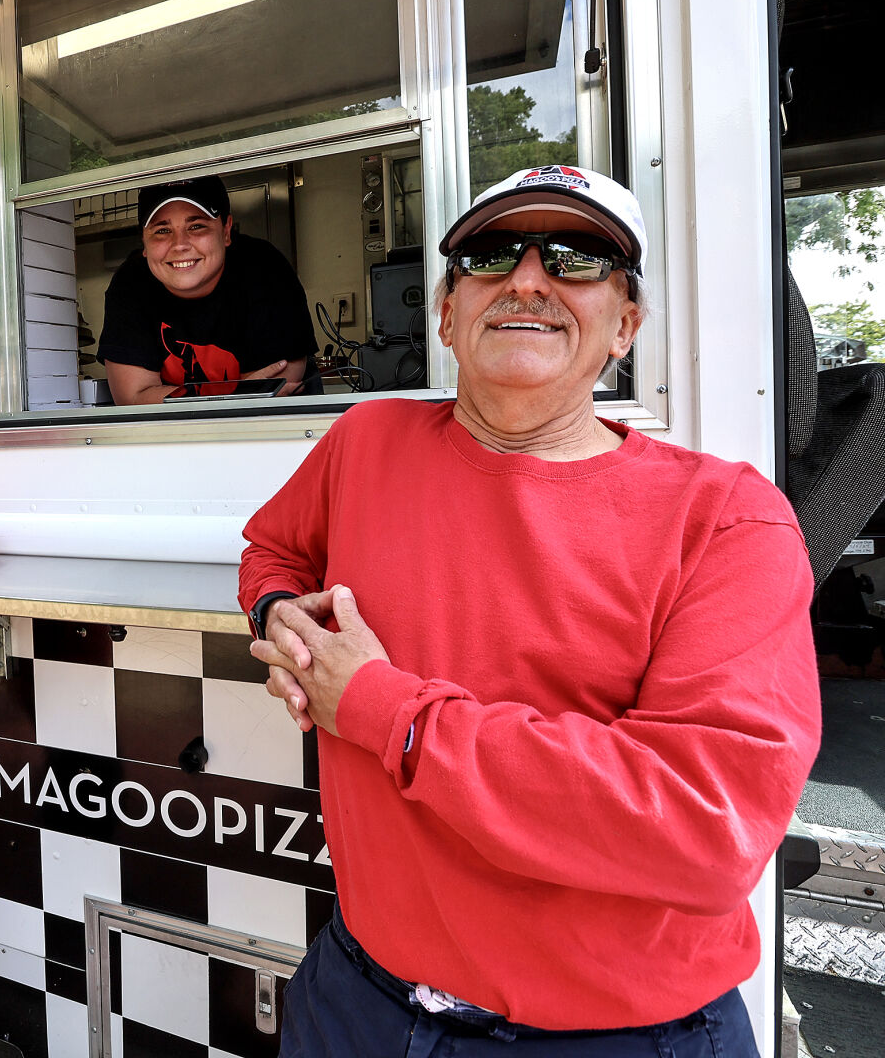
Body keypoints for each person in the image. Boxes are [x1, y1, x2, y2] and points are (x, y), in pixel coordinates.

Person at [238, 165, 820, 1056]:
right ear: (445, 312)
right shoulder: (367, 441)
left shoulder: (726, 518)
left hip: (616, 1036)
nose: (527, 278)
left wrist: (382, 711)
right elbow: (273, 551)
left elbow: (705, 824)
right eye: (492, 254)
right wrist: (280, 614)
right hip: (354, 998)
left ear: (626, 324)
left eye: (578, 258)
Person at [98, 174, 322, 403]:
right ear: (143, 242)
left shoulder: (265, 269)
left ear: (226, 231)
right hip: (173, 438)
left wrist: (169, 398)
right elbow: (133, 400)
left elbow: (275, 393)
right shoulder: (131, 283)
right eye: (162, 231)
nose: (180, 245)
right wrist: (239, 393)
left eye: (196, 226)